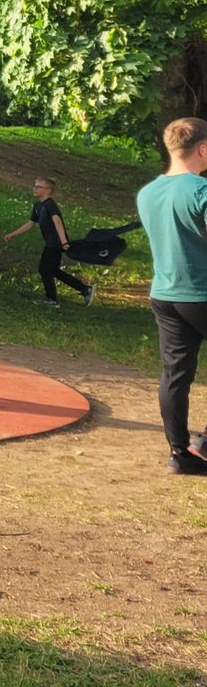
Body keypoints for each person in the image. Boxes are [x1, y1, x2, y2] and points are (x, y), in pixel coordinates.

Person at [136, 116, 207, 476]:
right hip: (201, 292)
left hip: (164, 293)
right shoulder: (201, 192)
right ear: (203, 149)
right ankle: (205, 442)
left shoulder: (147, 193)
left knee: (175, 375)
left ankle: (180, 453)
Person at [4, 176, 94, 307]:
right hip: (50, 242)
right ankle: (84, 289)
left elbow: (57, 222)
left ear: (48, 190)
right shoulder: (38, 205)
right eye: (34, 186)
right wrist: (12, 234)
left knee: (45, 269)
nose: (34, 188)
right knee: (52, 270)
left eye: (38, 187)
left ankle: (52, 299)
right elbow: (30, 224)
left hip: (55, 243)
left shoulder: (50, 205)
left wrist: (64, 242)